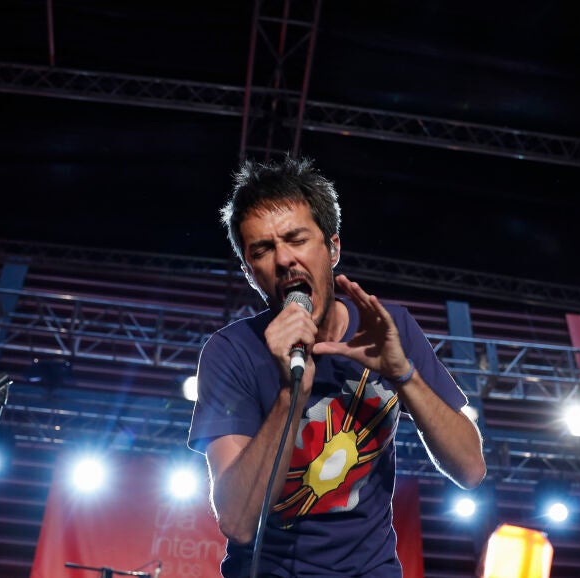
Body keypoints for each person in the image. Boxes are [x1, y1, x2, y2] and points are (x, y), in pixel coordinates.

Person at [187, 156, 487, 577]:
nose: (284, 260)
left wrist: (403, 374)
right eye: (263, 250)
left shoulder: (388, 327)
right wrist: (290, 394)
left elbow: (471, 469)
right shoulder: (232, 352)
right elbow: (237, 522)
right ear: (250, 273)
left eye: (296, 239)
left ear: (333, 248)